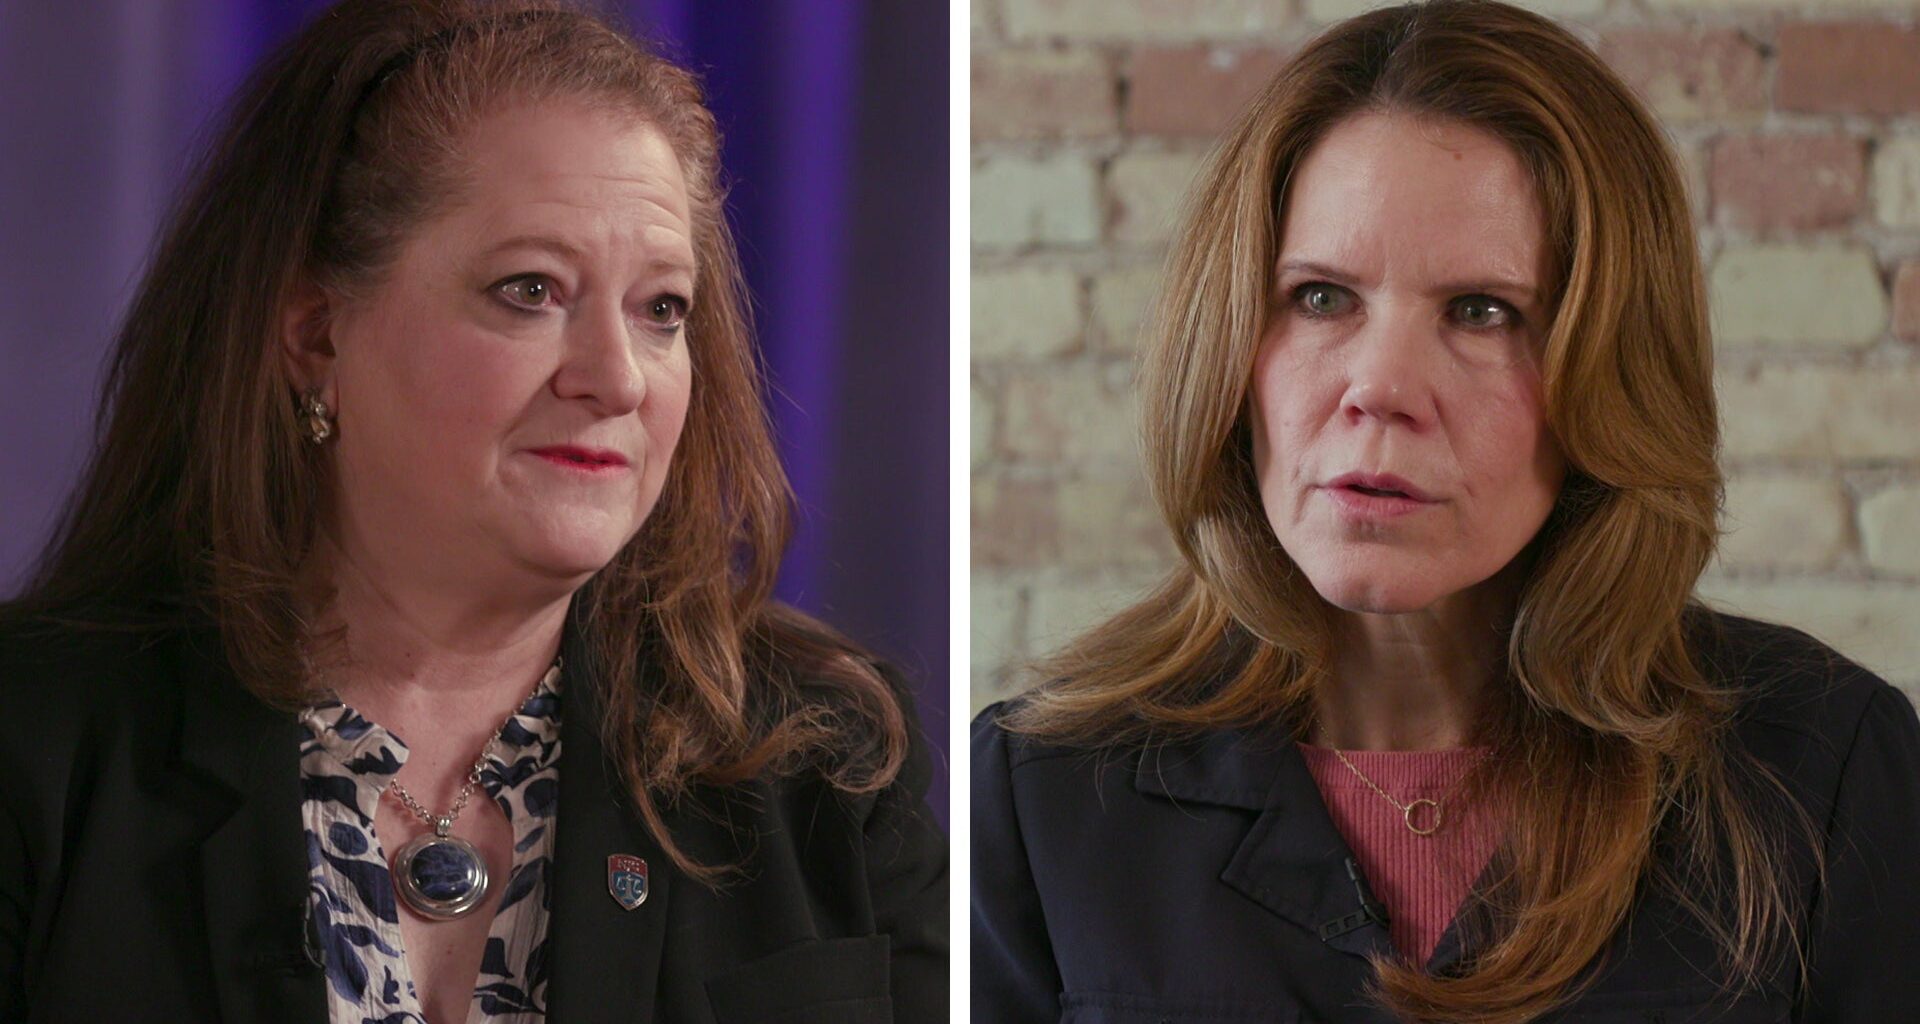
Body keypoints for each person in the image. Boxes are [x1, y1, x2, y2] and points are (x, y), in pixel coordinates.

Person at [971, 1, 1920, 1021]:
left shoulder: (1824, 768)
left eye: (1482, 312)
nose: (1380, 386)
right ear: (1233, 341)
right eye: (1322, 297)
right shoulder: (1044, 787)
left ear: (1614, 371)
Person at [0, 2, 946, 1021]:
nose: (617, 378)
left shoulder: (826, 758)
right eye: (531, 289)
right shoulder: (37, 750)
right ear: (316, 336)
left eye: (662, 308)